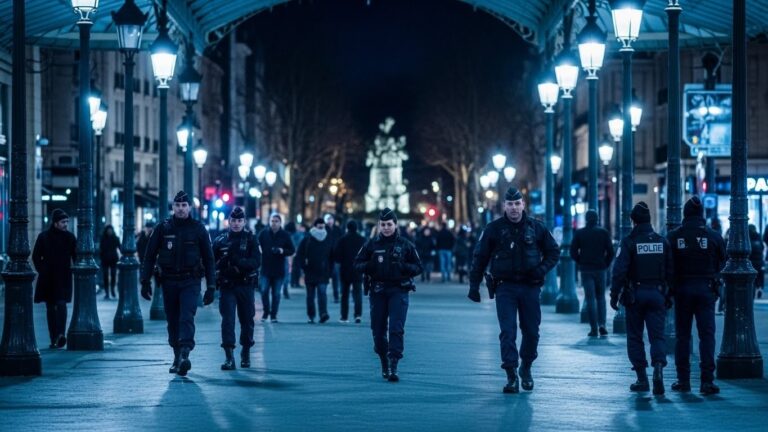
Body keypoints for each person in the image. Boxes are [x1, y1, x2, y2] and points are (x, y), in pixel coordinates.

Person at [468, 187, 559, 394]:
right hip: (505, 288)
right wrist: (474, 285)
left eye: (517, 204)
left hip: (530, 287)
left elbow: (554, 252)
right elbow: (480, 257)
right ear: (504, 207)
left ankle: (526, 367)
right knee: (507, 332)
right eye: (510, 204)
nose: (514, 208)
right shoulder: (494, 229)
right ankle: (511, 375)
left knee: (532, 332)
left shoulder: (537, 228)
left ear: (523, 205)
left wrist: (541, 269)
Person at [140, 191, 216, 377]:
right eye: (177, 206)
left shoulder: (198, 229)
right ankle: (176, 356)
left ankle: (184, 353)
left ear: (189, 207)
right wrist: (145, 281)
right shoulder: (163, 228)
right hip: (169, 281)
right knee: (173, 320)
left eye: (184, 206)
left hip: (191, 281)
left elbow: (209, 259)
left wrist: (211, 287)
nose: (181, 209)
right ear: (173, 207)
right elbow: (149, 256)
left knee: (186, 316)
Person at [610, 201, 673, 395]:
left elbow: (619, 271)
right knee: (657, 336)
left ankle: (642, 378)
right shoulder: (662, 242)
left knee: (635, 336)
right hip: (657, 294)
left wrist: (614, 295)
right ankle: (659, 371)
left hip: (635, 295)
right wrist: (667, 294)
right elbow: (670, 271)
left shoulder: (629, 241)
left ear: (633, 221)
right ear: (649, 220)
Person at [354, 208, 423, 382]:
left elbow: (418, 267)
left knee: (396, 328)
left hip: (398, 290)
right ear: (379, 225)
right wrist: (370, 265)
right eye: (383, 224)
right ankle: (383, 358)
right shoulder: (371, 244)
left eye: (389, 224)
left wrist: (403, 267)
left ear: (395, 225)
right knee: (377, 331)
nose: (386, 228)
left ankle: (393, 364)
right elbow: (357, 263)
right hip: (378, 290)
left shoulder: (406, 245)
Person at [667, 196, 726, 395]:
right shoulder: (714, 236)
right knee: (707, 336)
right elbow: (723, 262)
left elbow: (667, 265)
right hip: (706, 289)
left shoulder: (674, 236)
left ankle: (683, 380)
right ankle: (707, 381)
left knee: (682, 336)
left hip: (682, 290)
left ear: (684, 214)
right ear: (701, 215)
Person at [212, 207, 261, 370]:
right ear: (229, 221)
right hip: (227, 286)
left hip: (245, 285)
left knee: (247, 320)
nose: (236, 224)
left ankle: (245, 352)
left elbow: (256, 262)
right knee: (228, 321)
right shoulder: (220, 241)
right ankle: (229, 357)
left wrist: (237, 262)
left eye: (240, 221)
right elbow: (211, 263)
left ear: (244, 222)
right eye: (233, 220)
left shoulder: (251, 240)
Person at [32, 208, 77, 349]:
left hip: (63, 277)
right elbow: (35, 256)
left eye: (67, 222)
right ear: (55, 223)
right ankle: (53, 339)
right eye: (63, 222)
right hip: (48, 278)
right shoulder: (43, 237)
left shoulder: (70, 237)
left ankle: (61, 334)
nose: (66, 224)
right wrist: (43, 270)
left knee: (62, 305)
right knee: (50, 308)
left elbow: (76, 256)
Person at [570, 209, 615, 337]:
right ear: (597, 219)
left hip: (586, 270)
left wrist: (581, 261)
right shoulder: (603, 233)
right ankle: (602, 325)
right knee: (601, 298)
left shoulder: (580, 233)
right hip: (600, 269)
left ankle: (593, 328)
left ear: (586, 219)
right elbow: (611, 252)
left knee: (590, 299)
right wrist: (605, 264)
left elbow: (573, 252)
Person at [257, 213, 296, 322]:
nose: (274, 223)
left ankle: (273, 315)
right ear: (269, 222)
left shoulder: (285, 235)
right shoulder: (263, 234)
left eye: (276, 221)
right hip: (265, 268)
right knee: (264, 291)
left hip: (279, 269)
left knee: (276, 294)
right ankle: (266, 312)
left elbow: (292, 250)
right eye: (272, 221)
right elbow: (256, 245)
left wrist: (282, 251)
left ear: (280, 223)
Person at [296, 218, 334, 323]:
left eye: (323, 225)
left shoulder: (328, 238)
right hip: (310, 271)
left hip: (323, 271)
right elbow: (300, 254)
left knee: (322, 294)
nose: (321, 227)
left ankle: (323, 314)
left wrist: (330, 271)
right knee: (310, 296)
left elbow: (331, 256)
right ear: (315, 226)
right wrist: (304, 267)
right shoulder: (308, 238)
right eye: (319, 226)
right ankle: (311, 315)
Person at [334, 220, 366, 323]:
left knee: (344, 294)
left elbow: (337, 257)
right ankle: (358, 315)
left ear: (347, 228)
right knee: (357, 293)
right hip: (358, 270)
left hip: (345, 270)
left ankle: (344, 316)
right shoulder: (362, 240)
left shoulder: (342, 240)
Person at [99, 225, 121, 300]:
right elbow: (100, 249)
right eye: (108, 230)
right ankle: (107, 292)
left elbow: (120, 247)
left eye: (110, 230)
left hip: (113, 259)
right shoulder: (103, 239)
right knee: (105, 276)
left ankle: (112, 290)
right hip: (105, 259)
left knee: (113, 275)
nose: (109, 231)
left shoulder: (115, 238)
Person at [325, 214, 343, 303]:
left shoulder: (337, 229)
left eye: (331, 219)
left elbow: (341, 241)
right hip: (326, 256)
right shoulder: (324, 229)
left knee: (335, 276)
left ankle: (336, 295)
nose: (329, 221)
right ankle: (322, 294)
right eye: (328, 219)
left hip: (335, 256)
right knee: (324, 276)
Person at [749, 224, 765, 299]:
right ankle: (760, 288)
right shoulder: (758, 237)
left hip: (751, 262)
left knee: (752, 278)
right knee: (760, 277)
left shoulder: (748, 237)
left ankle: (753, 291)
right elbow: (762, 248)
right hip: (759, 261)